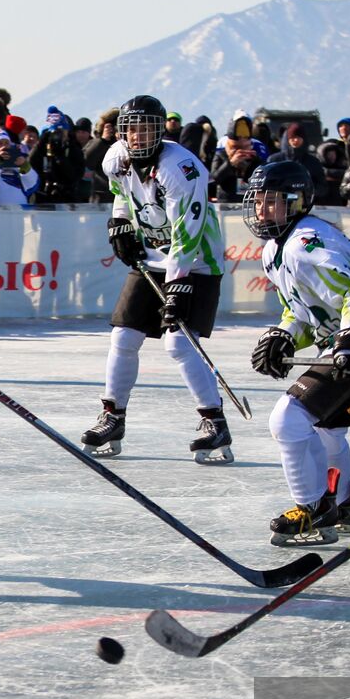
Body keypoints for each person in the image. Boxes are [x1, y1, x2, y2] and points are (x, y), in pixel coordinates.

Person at [246, 160, 350, 546]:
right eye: (258, 201)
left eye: (271, 201)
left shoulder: (306, 244)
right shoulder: (274, 250)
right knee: (328, 431)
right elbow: (303, 312)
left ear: (296, 202)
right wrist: (284, 336)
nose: (261, 210)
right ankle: (344, 504)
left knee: (288, 418)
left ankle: (313, 508)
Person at [81, 95, 231, 464]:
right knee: (123, 336)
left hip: (195, 263)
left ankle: (214, 421)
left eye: (145, 128)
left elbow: (187, 232)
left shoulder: (181, 169)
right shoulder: (115, 157)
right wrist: (119, 221)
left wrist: (177, 283)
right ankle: (112, 416)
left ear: (160, 130)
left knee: (179, 345)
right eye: (130, 128)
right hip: (152, 260)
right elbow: (120, 194)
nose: (137, 135)